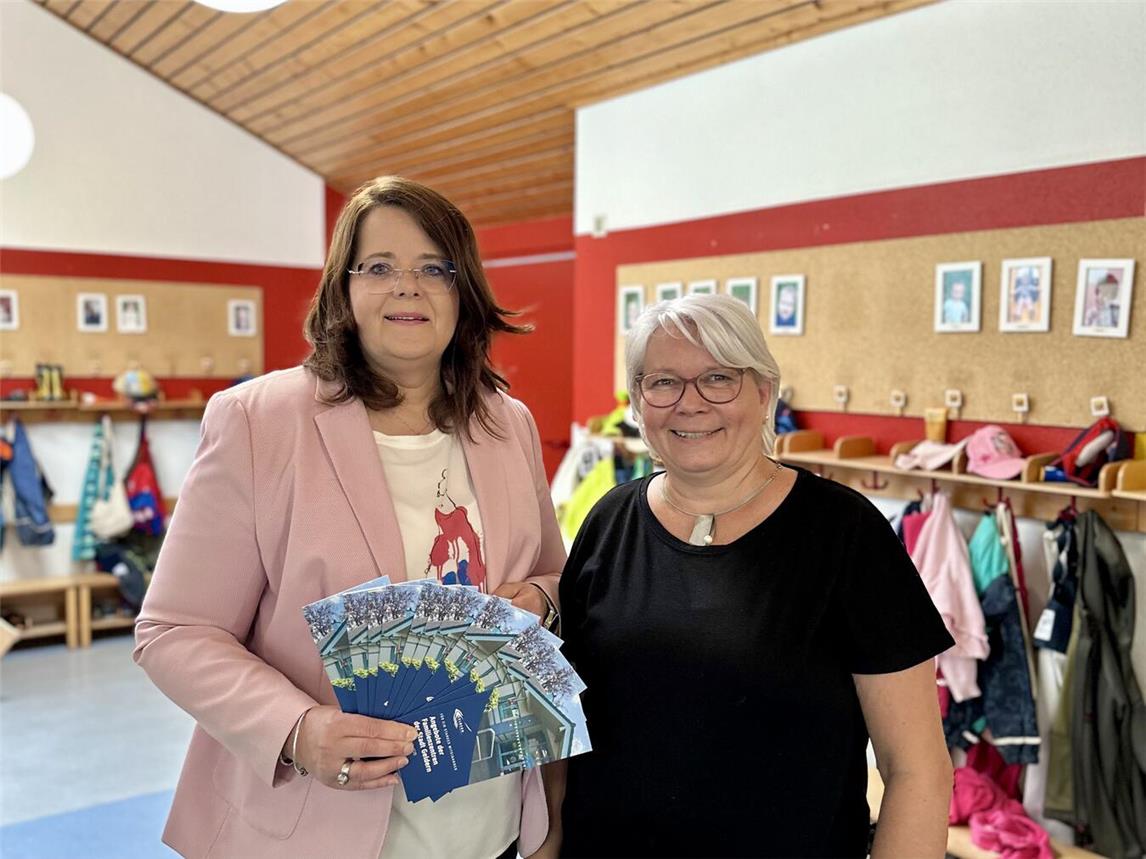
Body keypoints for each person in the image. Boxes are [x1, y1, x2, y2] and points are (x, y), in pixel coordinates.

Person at [134, 176, 566, 859]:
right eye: (380, 267)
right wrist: (296, 729)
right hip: (319, 827)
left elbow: (551, 574)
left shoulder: (506, 424)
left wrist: (540, 597)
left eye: (435, 268)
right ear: (343, 288)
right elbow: (175, 630)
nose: (408, 287)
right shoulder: (260, 421)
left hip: (492, 824)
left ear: (465, 292)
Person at [543, 294, 955, 858]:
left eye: (718, 378)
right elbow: (565, 724)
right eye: (663, 382)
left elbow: (917, 770)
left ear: (764, 393)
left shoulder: (845, 533)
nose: (690, 403)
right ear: (638, 402)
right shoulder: (609, 520)